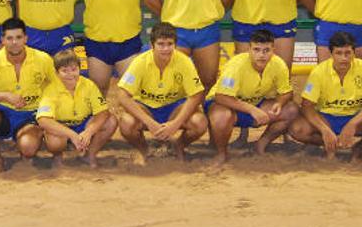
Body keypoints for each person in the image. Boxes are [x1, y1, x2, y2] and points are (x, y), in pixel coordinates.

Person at [0, 18, 57, 174]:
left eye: (18, 38)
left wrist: (47, 116)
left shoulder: (43, 59)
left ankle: (29, 138)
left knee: (28, 148)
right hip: (3, 115)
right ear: (2, 40)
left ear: (26, 38)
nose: (14, 42)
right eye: (9, 38)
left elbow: (57, 89)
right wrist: (4, 96)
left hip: (30, 115)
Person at [289, 32, 362, 161]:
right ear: (331, 54)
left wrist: (352, 124)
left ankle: (358, 148)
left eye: (347, 53)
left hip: (357, 117)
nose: (344, 58)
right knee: (297, 128)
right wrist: (324, 130)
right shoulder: (319, 71)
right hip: (327, 117)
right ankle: (331, 144)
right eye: (339, 53)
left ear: (354, 53)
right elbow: (306, 106)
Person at [116, 22, 207, 164]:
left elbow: (196, 95)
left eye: (170, 44)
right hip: (147, 108)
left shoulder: (185, 61)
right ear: (152, 45)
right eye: (161, 44)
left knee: (199, 123)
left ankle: (178, 145)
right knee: (126, 123)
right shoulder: (140, 62)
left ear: (175, 45)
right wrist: (149, 123)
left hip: (174, 108)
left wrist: (176, 123)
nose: (166, 49)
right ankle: (144, 149)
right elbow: (122, 95)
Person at [205, 30, 298, 163]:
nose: (261, 55)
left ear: (273, 50)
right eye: (256, 49)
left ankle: (260, 145)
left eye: (266, 50)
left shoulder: (279, 64)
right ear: (249, 49)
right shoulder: (236, 65)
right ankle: (222, 153)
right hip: (224, 105)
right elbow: (221, 97)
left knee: (291, 109)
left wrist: (279, 103)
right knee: (222, 116)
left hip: (255, 104)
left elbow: (287, 92)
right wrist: (252, 110)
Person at [36, 49, 117, 168]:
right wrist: (72, 135)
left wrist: (89, 132)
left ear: (80, 69)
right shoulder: (50, 89)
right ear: (57, 73)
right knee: (54, 141)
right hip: (62, 126)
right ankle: (57, 157)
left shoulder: (89, 84)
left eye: (74, 69)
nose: (70, 74)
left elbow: (103, 112)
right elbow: (43, 120)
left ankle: (89, 155)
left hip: (83, 124)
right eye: (64, 71)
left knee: (111, 121)